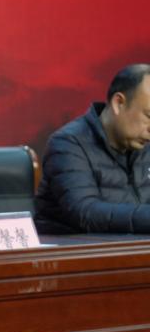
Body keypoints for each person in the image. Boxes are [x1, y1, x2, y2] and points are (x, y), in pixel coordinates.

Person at [35, 64, 150, 235]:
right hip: (79, 249)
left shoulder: (145, 146)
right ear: (118, 103)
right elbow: (85, 213)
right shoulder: (68, 144)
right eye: (149, 116)